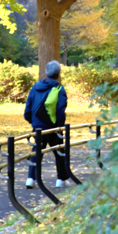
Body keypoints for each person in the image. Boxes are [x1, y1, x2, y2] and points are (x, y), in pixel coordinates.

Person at [23, 60, 71, 188]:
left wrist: (32, 121)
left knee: (36, 152)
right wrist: (59, 126)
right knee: (60, 151)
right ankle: (61, 180)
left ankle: (30, 179)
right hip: (53, 126)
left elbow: (28, 106)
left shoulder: (35, 86)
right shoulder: (59, 88)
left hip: (38, 125)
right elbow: (61, 109)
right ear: (58, 73)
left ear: (46, 72)